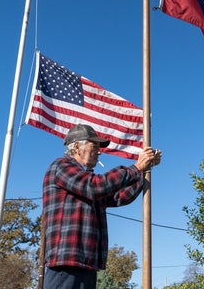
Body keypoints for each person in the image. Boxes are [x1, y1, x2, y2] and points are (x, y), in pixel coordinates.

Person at [42, 123, 162, 289]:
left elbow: (119, 197)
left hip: (86, 265)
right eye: (95, 146)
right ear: (77, 146)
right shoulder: (61, 166)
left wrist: (144, 170)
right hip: (66, 264)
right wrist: (135, 168)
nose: (99, 152)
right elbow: (96, 186)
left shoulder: (86, 182)